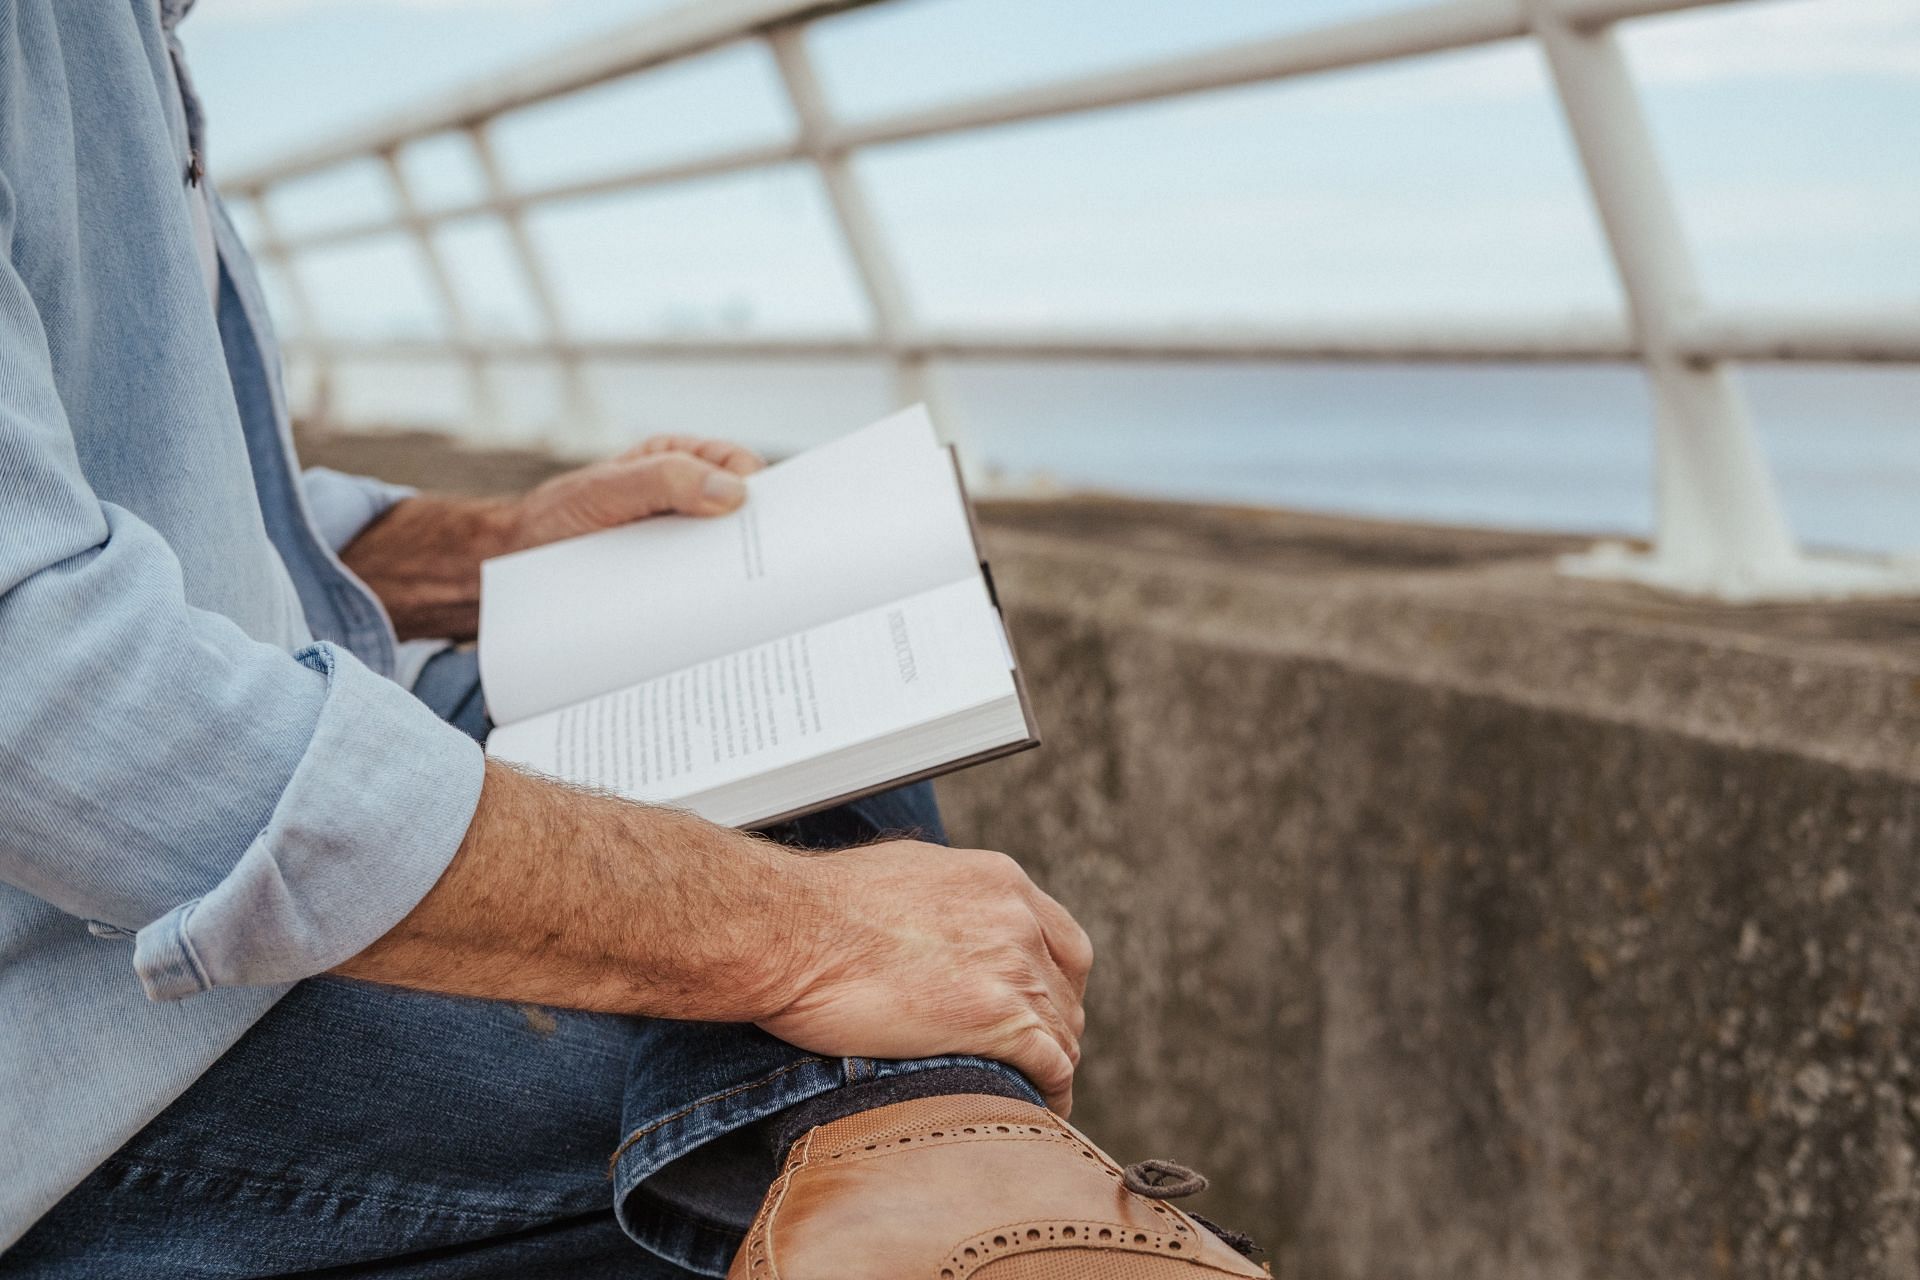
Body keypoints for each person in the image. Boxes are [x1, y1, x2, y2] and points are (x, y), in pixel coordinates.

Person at [0, 4, 1265, 1277]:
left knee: (780, 706)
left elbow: (145, 505)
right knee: (756, 1111)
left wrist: (506, 539)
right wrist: (811, 930)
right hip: (85, 1019)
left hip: (205, 795)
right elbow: (50, 691)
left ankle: (928, 1161)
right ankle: (933, 1159)